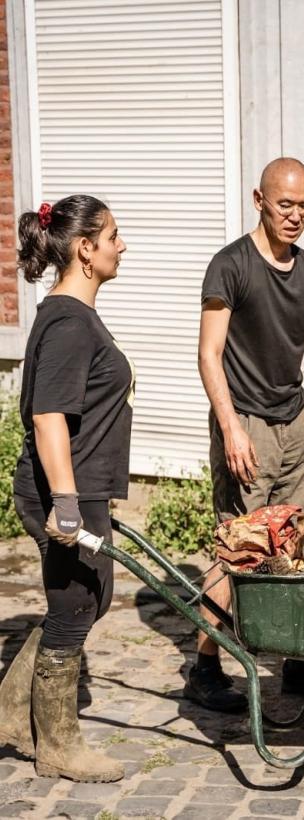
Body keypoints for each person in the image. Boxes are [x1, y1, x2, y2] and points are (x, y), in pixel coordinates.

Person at [185, 157, 304, 712]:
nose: (295, 216)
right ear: (260, 200)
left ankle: (299, 663)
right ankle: (204, 666)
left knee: (303, 544)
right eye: (285, 204)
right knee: (239, 549)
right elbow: (209, 353)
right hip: (245, 424)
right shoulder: (231, 266)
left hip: (295, 425)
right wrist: (230, 429)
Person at [0, 196, 132, 782]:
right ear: (86, 249)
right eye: (113, 236)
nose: (121, 246)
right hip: (60, 490)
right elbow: (49, 414)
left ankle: (9, 712)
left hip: (79, 486)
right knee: (76, 604)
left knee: (89, 598)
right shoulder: (69, 322)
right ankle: (57, 745)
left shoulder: (70, 315)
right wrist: (69, 505)